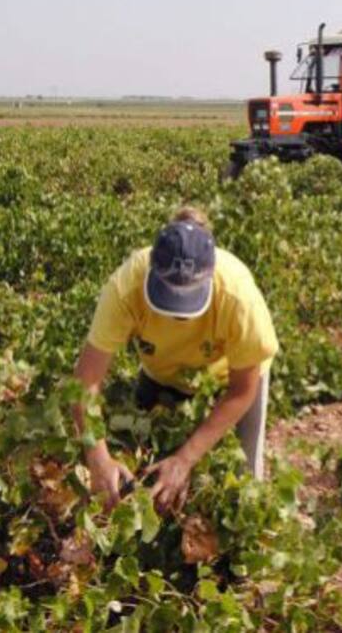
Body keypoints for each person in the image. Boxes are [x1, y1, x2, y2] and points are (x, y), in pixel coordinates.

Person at [71, 207, 278, 512]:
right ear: (152, 269)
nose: (179, 315)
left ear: (210, 276)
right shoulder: (126, 287)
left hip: (227, 382)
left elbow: (242, 390)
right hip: (161, 372)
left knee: (245, 480)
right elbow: (86, 381)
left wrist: (186, 458)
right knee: (139, 462)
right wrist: (98, 457)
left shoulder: (238, 297)